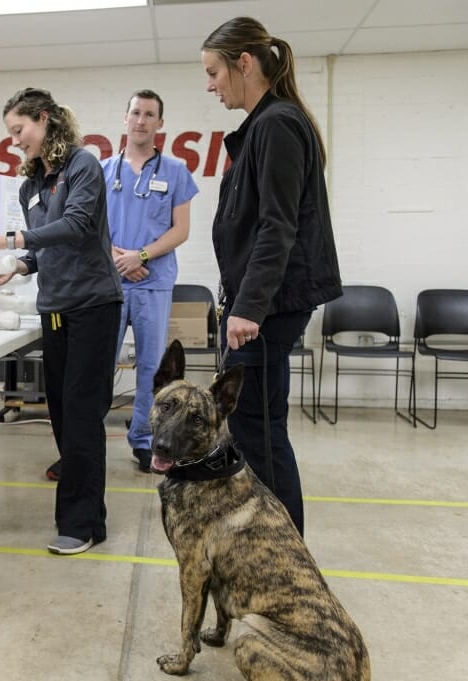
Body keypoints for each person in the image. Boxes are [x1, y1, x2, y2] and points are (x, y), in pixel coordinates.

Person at [201, 17, 342, 535]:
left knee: (259, 432)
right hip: (262, 305)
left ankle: (283, 555)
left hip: (267, 309)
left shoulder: (277, 124)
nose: (210, 84)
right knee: (257, 426)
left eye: (215, 71)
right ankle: (277, 547)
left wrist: (248, 308)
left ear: (245, 63)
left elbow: (277, 226)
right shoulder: (264, 126)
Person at [0, 88, 122, 556]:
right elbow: (43, 247)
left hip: (94, 306)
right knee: (59, 411)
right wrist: (18, 264)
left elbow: (76, 226)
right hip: (54, 310)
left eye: (20, 130)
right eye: (11, 134)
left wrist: (11, 237)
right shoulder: (31, 184)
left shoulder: (84, 166)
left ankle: (81, 524)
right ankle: (82, 509)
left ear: (44, 119)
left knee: (80, 413)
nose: (16, 141)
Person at [100, 89, 198, 473]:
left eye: (149, 114)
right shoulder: (103, 171)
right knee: (99, 367)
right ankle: (88, 440)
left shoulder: (176, 172)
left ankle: (144, 441)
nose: (141, 120)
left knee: (151, 370)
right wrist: (120, 260)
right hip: (109, 283)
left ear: (160, 124)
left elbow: (181, 230)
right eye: (136, 113)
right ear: (125, 119)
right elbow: (91, 227)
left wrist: (140, 256)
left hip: (153, 283)